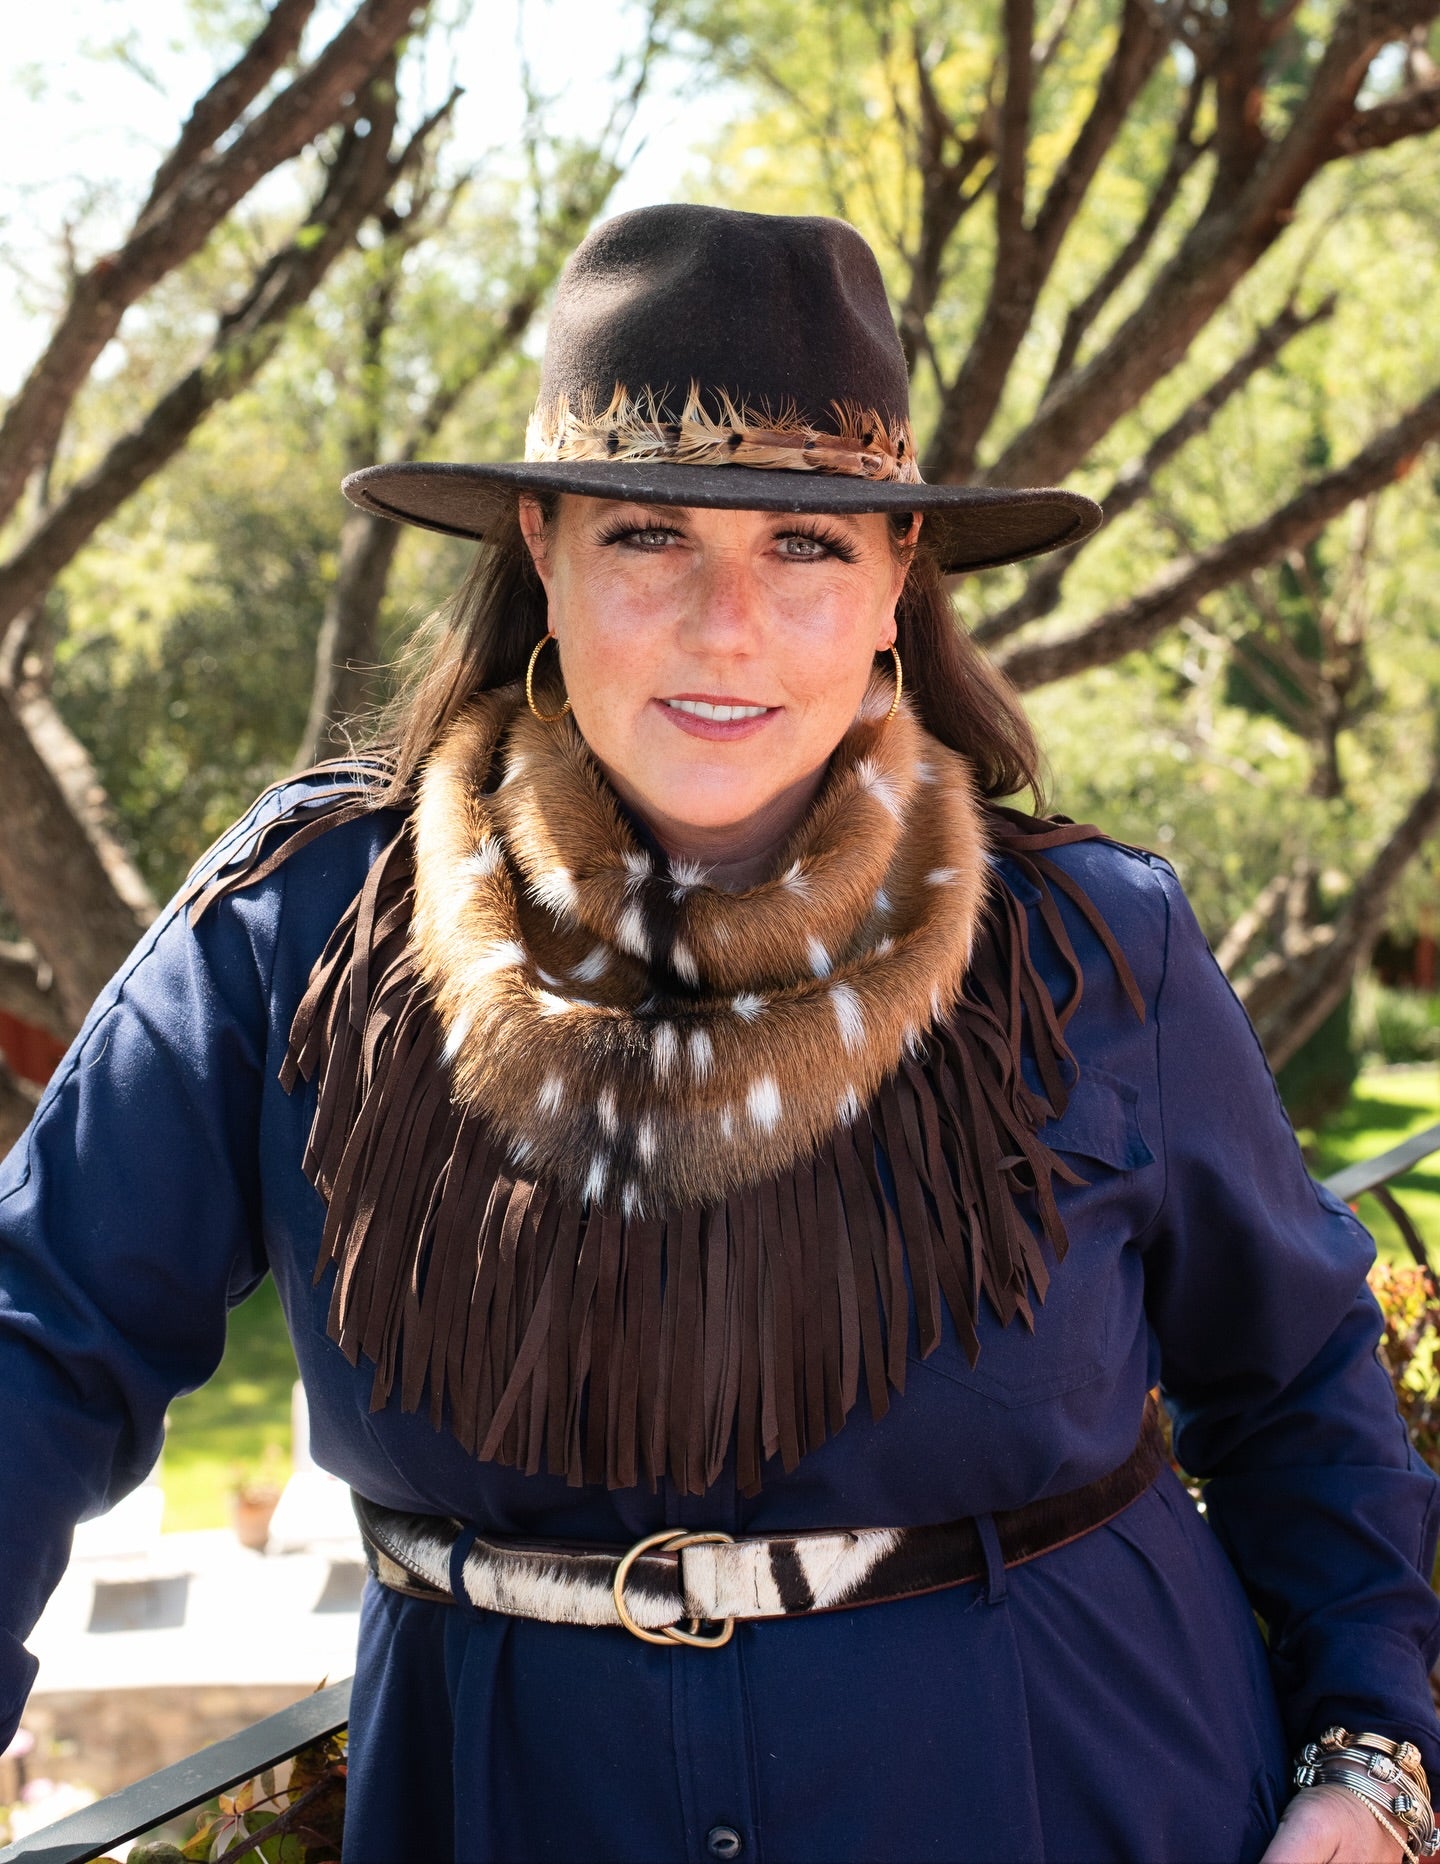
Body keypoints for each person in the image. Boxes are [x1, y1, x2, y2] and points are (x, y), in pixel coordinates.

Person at [1, 202, 1438, 1864]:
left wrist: (1372, 1755)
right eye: (649, 535)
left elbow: (1296, 1374)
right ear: (543, 548)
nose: (725, 622)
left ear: (898, 580)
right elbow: (42, 1334)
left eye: (807, 545)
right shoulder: (302, 937)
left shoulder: (1097, 948)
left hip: (1084, 1798)